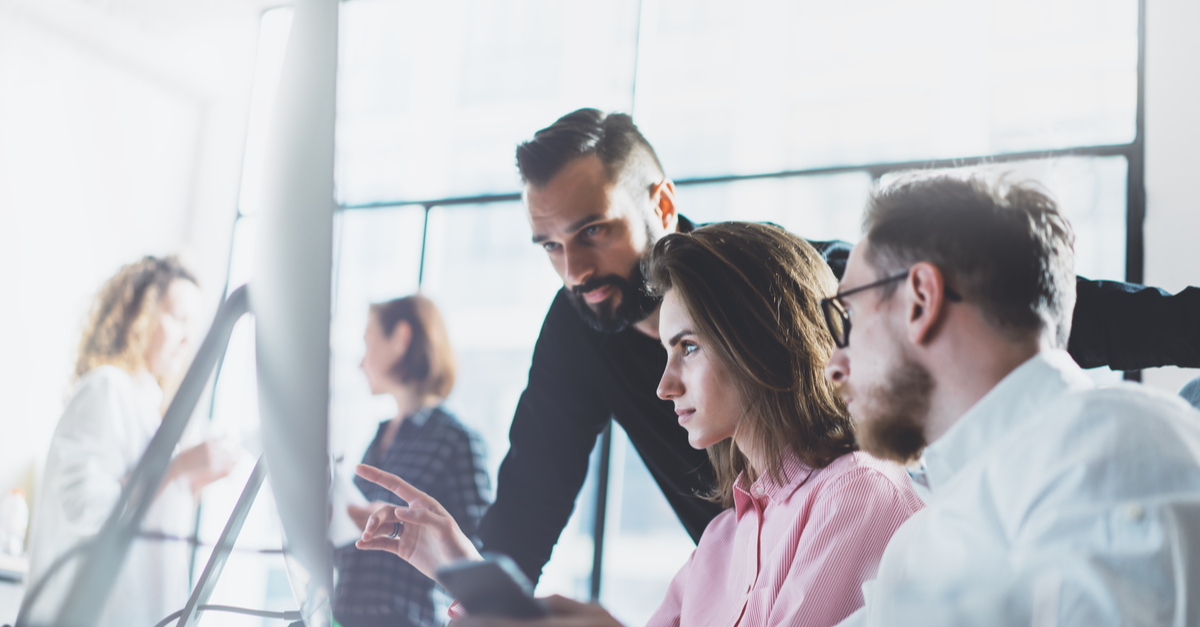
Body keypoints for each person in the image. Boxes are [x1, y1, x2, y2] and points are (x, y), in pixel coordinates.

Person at [474, 108, 1200, 586]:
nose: (574, 269)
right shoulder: (576, 334)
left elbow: (1001, 299)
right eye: (550, 246)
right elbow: (530, 493)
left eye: (593, 231)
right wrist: (490, 593)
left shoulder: (784, 286)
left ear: (660, 205)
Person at [354, 222, 924, 627]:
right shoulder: (725, 538)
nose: (664, 385)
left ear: (758, 341)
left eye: (689, 348)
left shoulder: (859, 494)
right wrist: (460, 569)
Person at [820, 175, 1200, 624]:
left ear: (920, 300)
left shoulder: (1106, 454)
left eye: (849, 315)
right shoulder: (923, 531)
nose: (833, 366)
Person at [21, 256, 239, 627]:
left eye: (194, 326)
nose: (189, 338)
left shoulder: (148, 408)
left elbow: (142, 519)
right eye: (178, 318)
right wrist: (176, 469)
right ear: (139, 315)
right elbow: (89, 510)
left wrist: (189, 486)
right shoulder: (106, 388)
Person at [333, 295, 491, 627]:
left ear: (401, 339)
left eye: (368, 343)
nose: (360, 362)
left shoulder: (456, 439)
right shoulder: (378, 439)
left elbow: (478, 557)